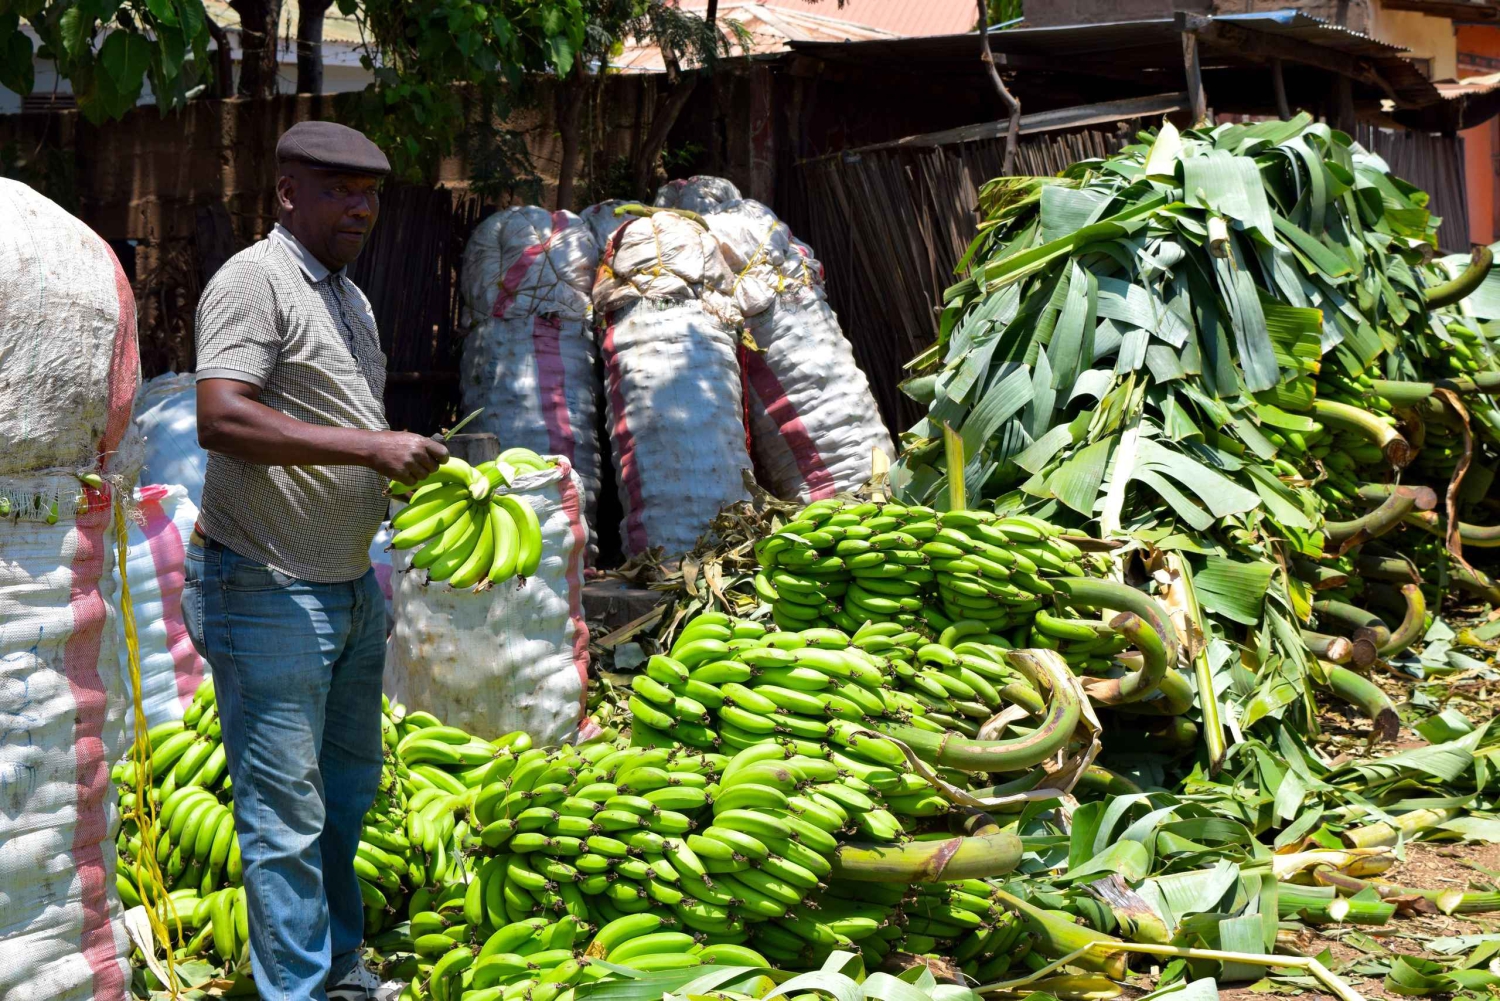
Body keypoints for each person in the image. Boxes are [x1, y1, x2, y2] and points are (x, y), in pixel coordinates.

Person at [183, 120, 447, 1001]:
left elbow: (338, 425)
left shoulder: (348, 297)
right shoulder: (254, 283)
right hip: (264, 581)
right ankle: (297, 988)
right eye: (339, 190)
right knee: (284, 815)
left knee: (343, 798)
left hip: (346, 585)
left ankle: (339, 971)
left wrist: (403, 471)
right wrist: (369, 451)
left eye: (370, 193)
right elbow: (221, 415)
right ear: (288, 192)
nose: (361, 208)